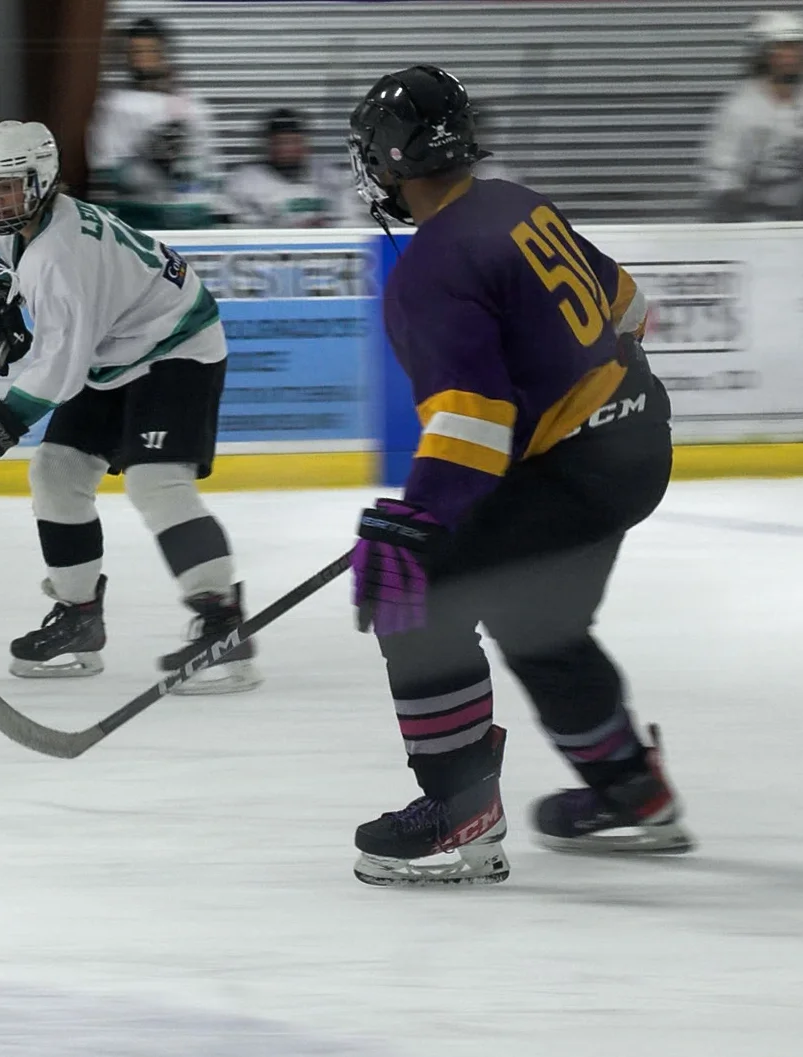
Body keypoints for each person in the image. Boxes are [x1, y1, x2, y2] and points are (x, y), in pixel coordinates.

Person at [344, 65, 693, 887]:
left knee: (415, 594)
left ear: (387, 161)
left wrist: (414, 524)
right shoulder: (515, 203)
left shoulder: (430, 268)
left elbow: (471, 425)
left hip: (574, 470)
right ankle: (631, 791)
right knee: (538, 619)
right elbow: (630, 307)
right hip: (637, 442)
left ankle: (458, 808)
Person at [0, 119, 258, 693]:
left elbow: (59, 365)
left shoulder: (62, 255)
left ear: (41, 182)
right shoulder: (21, 226)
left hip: (175, 346)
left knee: (156, 482)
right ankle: (79, 616)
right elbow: (18, 268)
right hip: (115, 350)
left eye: (8, 186)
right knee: (56, 472)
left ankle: (221, 620)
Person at [86, 18, 228, 231]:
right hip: (142, 216)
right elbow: (105, 169)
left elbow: (209, 164)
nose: (142, 58)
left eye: (150, 50)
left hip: (192, 215)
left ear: (164, 52)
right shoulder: (116, 105)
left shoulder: (193, 105)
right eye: (136, 51)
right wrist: (152, 160)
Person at [703, 10, 803, 221]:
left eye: (795, 46)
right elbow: (723, 177)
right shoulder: (741, 110)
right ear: (763, 54)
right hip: (756, 221)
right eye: (782, 47)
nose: (791, 55)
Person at [224, 108, 366, 228]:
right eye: (280, 142)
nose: (286, 149)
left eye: (293, 141)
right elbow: (240, 230)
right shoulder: (246, 181)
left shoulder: (329, 176)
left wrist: (326, 227)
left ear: (304, 143)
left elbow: (352, 222)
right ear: (268, 145)